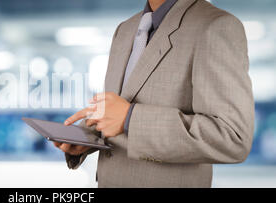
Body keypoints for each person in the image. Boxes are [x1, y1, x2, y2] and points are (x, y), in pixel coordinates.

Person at [53, 0, 254, 187]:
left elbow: (232, 137)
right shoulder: (125, 30)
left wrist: (130, 119)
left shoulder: (215, 25)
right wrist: (88, 137)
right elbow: (120, 112)